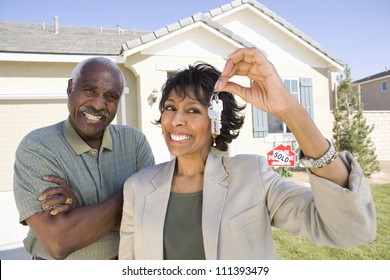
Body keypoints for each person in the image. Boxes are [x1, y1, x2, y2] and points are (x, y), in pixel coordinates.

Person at [118, 48, 376, 260]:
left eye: (193, 110)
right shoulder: (137, 188)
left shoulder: (252, 176)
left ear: (216, 119)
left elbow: (351, 228)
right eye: (170, 108)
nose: (176, 120)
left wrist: (289, 111)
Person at [13, 57, 155, 260]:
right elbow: (58, 242)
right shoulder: (38, 147)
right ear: (71, 88)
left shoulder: (134, 142)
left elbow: (152, 219)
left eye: (111, 96)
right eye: (90, 90)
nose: (98, 105)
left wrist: (81, 211)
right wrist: (131, 194)